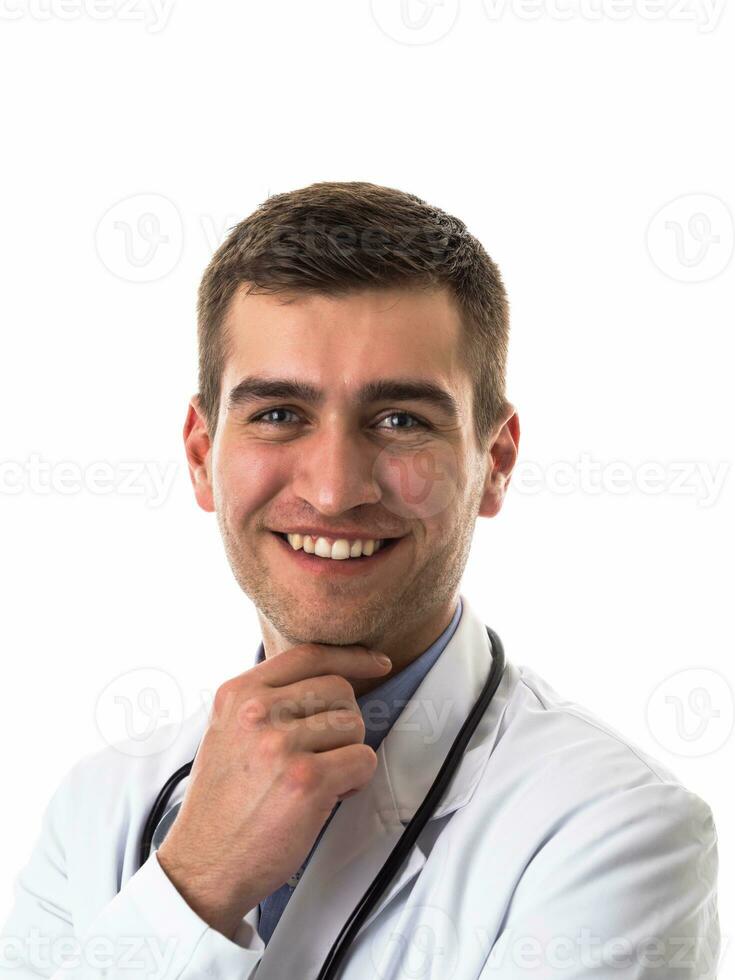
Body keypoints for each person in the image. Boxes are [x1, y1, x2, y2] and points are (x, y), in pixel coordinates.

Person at [1, 182, 720, 979]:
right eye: (278, 413)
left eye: (400, 420)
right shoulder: (95, 807)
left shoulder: (614, 828)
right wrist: (197, 883)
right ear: (203, 454)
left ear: (495, 464)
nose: (336, 489)